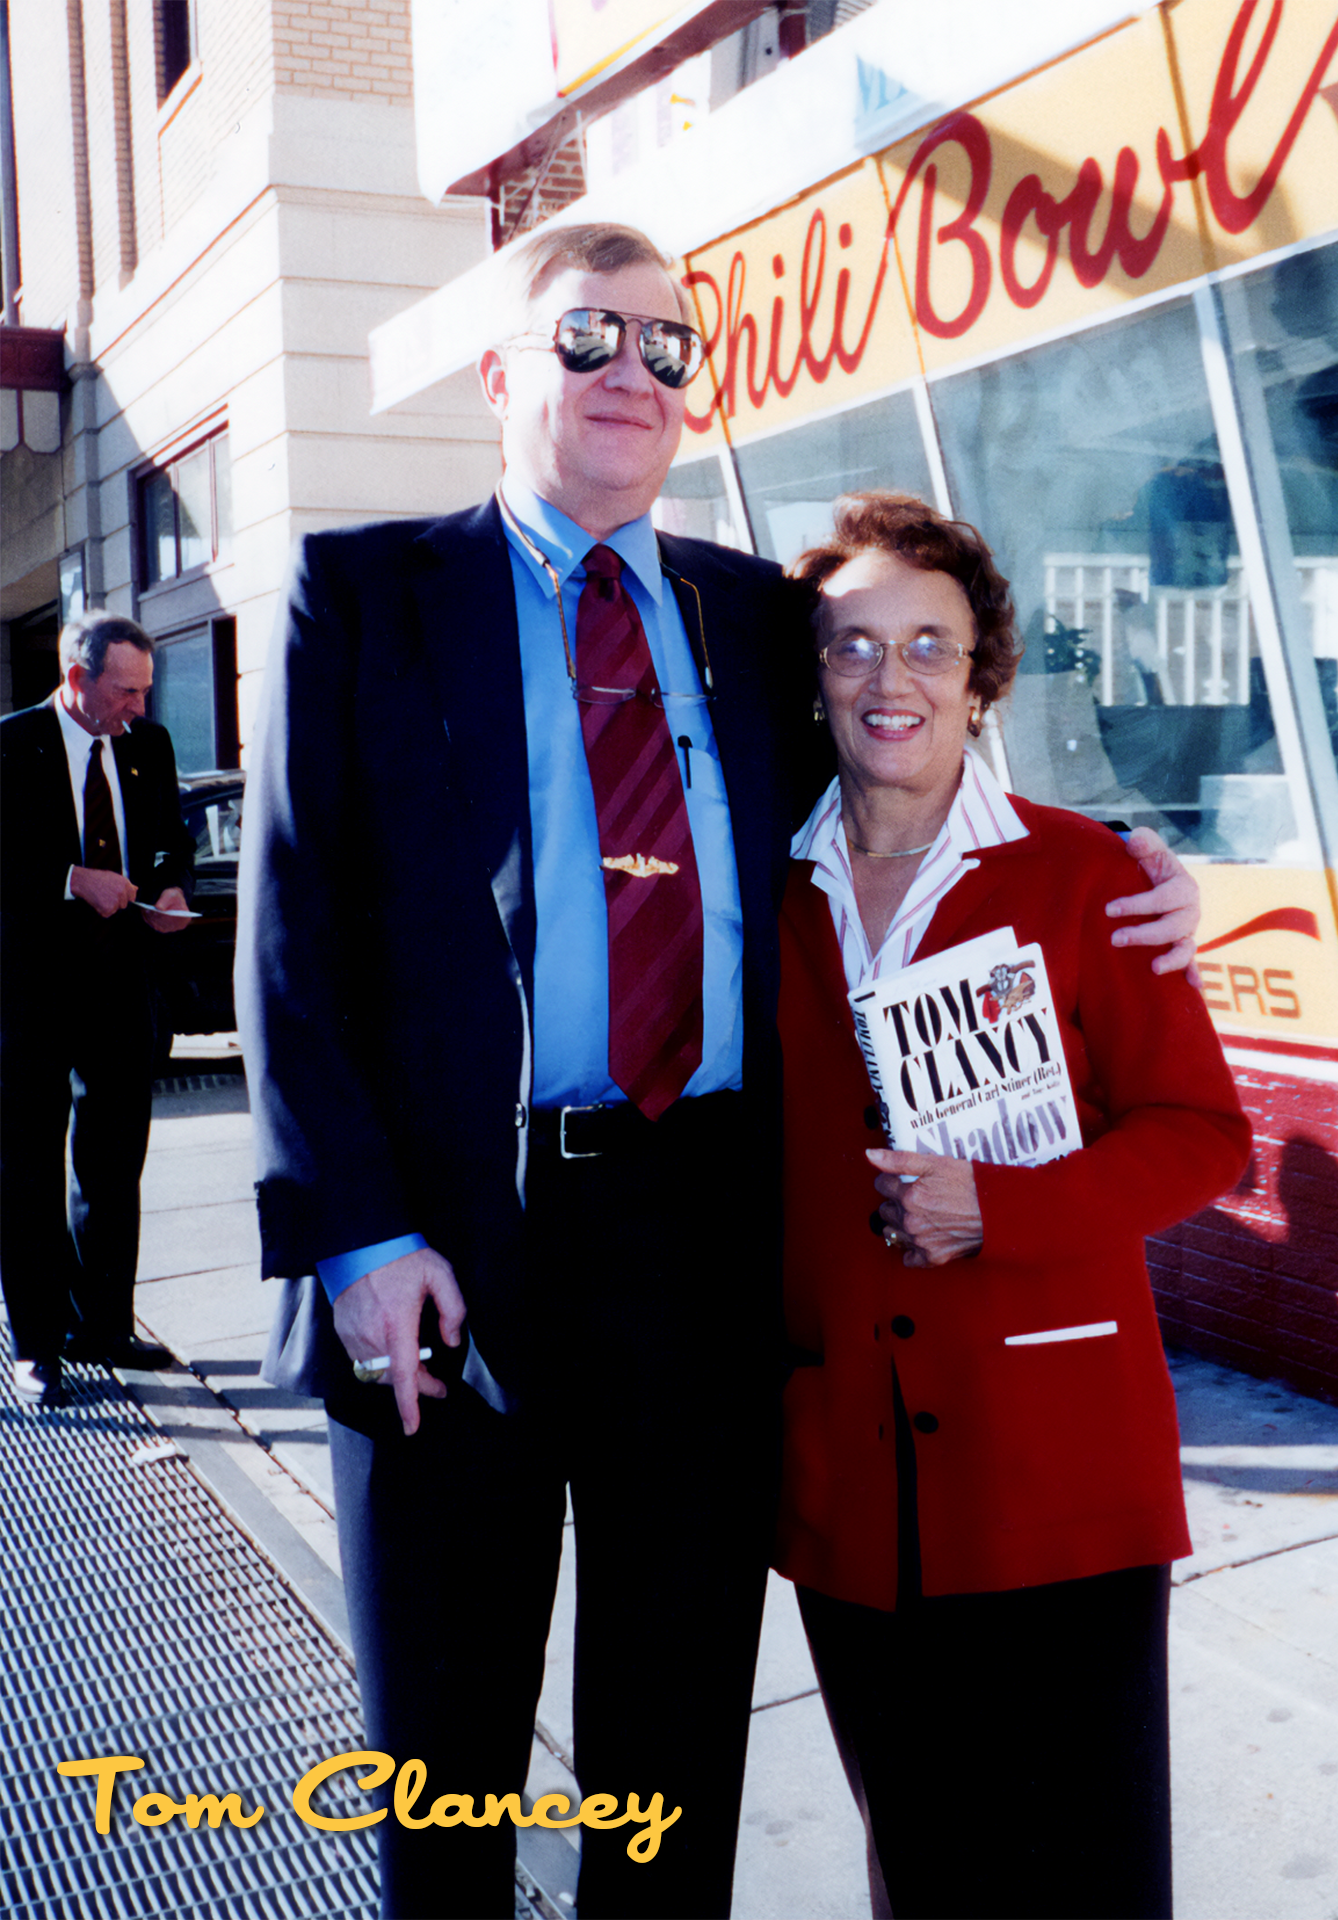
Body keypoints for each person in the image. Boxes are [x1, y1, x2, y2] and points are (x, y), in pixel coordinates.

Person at [237, 223, 1203, 1920]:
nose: (632, 371)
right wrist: (360, 1238)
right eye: (590, 335)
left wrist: (1128, 857)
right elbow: (296, 944)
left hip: (706, 1256)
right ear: (501, 371)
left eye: (668, 346)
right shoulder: (365, 594)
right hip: (449, 1265)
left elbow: (911, 757)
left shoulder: (760, 617)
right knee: (447, 1785)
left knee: (669, 1775)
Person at [775, 494, 1251, 1920]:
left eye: (929, 644)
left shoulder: (1085, 874)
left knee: (1089, 1879)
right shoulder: (757, 896)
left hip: (1056, 1465)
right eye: (850, 646)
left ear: (982, 675)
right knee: (925, 1871)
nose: (888, 678)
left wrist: (1008, 1207)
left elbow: (1200, 1137)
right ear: (810, 677)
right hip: (851, 1483)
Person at [0, 611, 193, 1409]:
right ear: (77, 681)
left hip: (119, 992)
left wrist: (168, 884)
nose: (137, 709)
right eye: (124, 692)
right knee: (30, 1172)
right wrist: (71, 878)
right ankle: (39, 1346)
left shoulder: (148, 748)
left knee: (114, 1168)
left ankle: (104, 1324)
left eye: (145, 691)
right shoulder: (11, 746)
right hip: (30, 997)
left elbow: (164, 844)